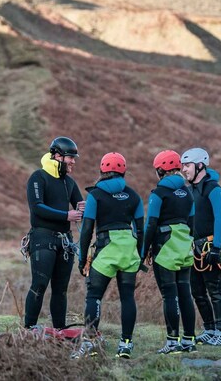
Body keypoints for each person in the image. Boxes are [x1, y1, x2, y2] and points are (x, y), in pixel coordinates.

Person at [76, 152, 144, 359]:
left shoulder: (95, 195)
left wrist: (82, 258)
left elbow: (87, 228)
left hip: (106, 248)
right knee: (127, 298)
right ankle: (126, 344)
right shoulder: (134, 195)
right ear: (123, 171)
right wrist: (139, 255)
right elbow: (140, 230)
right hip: (128, 249)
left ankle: (90, 343)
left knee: (94, 296)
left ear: (102, 171)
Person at [24, 136, 85, 331]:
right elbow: (37, 208)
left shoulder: (69, 182)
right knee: (39, 284)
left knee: (61, 290)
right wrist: (67, 215)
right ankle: (29, 328)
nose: (73, 162)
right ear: (58, 156)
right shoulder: (38, 177)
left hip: (65, 242)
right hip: (42, 238)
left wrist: (85, 208)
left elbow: (79, 205)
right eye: (70, 157)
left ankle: (60, 331)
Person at [141, 149, 197, 354]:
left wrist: (144, 251)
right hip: (184, 246)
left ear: (160, 170)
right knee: (185, 294)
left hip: (164, 248)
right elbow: (192, 222)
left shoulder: (158, 193)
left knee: (169, 296)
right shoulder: (188, 192)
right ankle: (189, 340)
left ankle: (172, 341)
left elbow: (151, 224)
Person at [181, 147, 221, 347]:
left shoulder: (214, 189)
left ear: (200, 165)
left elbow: (220, 218)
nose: (184, 169)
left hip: (210, 246)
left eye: (187, 165)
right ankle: (209, 329)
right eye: (183, 165)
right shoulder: (189, 190)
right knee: (197, 291)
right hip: (193, 248)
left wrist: (216, 248)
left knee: (214, 290)